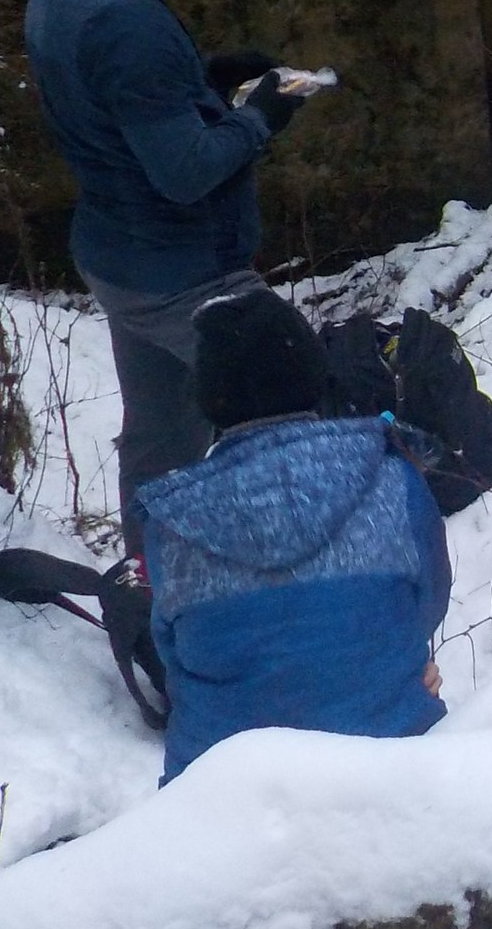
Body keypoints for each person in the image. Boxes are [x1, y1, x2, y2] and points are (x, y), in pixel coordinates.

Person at [24, 0, 311, 551]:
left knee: (161, 438)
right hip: (183, 272)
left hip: (121, 255)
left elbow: (116, 110)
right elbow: (184, 173)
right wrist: (260, 117)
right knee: (304, 414)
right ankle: (296, 591)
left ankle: (157, 592)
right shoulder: (126, 19)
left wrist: (206, 84)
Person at [136, 287, 450, 783]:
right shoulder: (391, 474)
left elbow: (173, 652)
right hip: (392, 763)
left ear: (208, 398)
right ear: (312, 374)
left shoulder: (170, 520)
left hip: (215, 794)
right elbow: (428, 603)